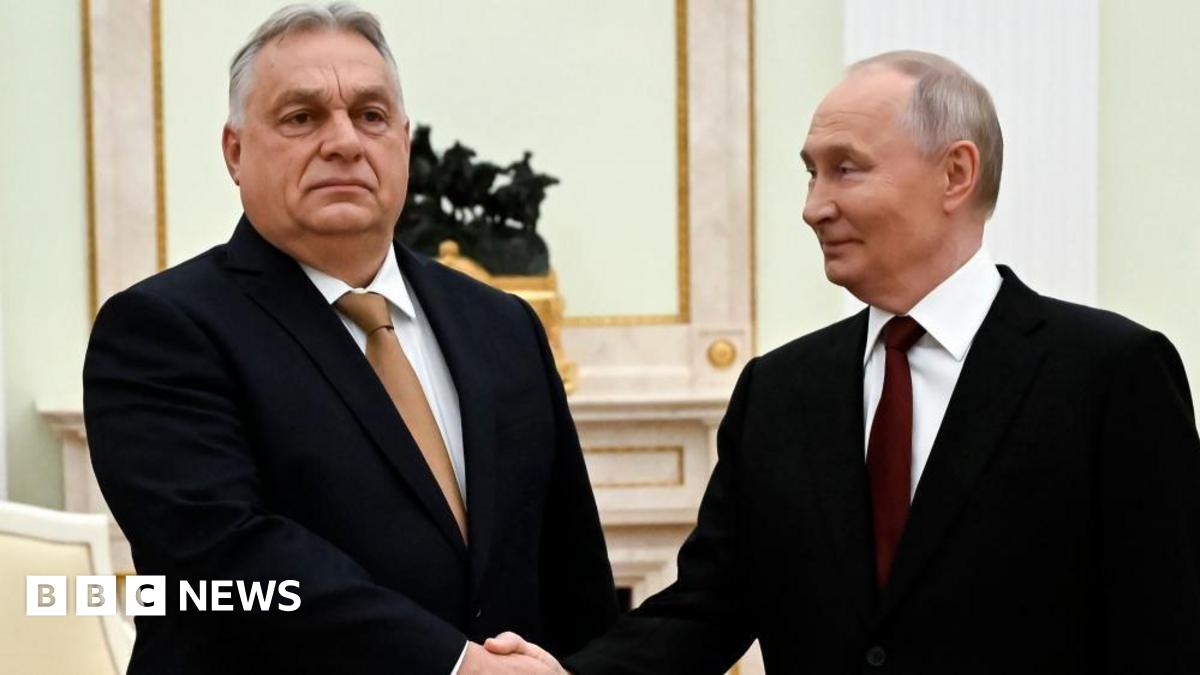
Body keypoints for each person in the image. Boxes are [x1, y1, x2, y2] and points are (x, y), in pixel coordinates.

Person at [488, 50, 1200, 673]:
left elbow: (1164, 636)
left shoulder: (1111, 375)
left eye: (845, 170)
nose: (813, 207)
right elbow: (705, 610)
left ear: (956, 173)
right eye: (810, 174)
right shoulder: (778, 390)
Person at [82, 3, 616, 673]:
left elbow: (572, 571)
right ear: (235, 151)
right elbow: (228, 564)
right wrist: (458, 664)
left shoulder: (502, 324)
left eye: (370, 115)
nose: (343, 141)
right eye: (302, 117)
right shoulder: (162, 330)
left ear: (404, 141)